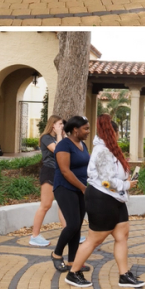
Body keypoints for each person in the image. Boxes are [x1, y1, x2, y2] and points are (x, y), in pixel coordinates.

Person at [63, 115, 145, 288]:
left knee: (122, 235)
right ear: (112, 132)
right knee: (95, 239)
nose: (119, 137)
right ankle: (73, 273)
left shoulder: (109, 149)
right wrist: (127, 184)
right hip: (102, 198)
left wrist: (126, 179)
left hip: (116, 198)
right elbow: (107, 180)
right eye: (117, 133)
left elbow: (115, 174)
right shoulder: (102, 151)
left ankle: (124, 275)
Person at [51, 116, 92, 273]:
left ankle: (72, 262)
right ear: (75, 130)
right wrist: (83, 187)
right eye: (85, 129)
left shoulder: (83, 145)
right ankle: (56, 253)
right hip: (65, 187)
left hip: (81, 188)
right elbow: (65, 171)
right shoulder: (63, 145)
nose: (88, 131)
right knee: (73, 224)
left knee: (78, 225)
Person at [29, 115, 68, 246]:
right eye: (60, 124)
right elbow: (58, 150)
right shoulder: (46, 138)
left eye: (63, 124)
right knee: (46, 205)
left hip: (59, 172)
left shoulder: (60, 137)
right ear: (53, 125)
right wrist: (59, 135)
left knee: (63, 204)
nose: (62, 126)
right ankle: (34, 236)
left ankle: (68, 233)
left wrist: (63, 135)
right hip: (49, 172)